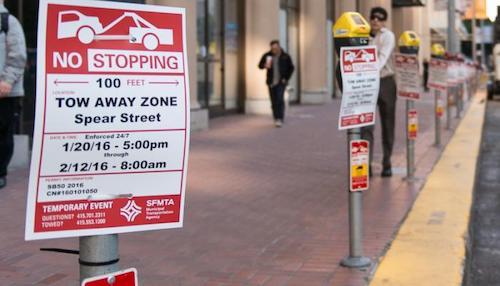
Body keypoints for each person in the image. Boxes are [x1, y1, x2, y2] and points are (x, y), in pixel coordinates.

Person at [361, 7, 396, 177]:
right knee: (366, 125)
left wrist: (367, 70)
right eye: (373, 17)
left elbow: (382, 57)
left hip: (385, 81)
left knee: (388, 124)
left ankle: (387, 162)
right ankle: (365, 163)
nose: (375, 20)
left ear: (384, 22)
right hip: (367, 83)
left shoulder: (388, 36)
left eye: (380, 18)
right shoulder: (362, 35)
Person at [0, 1, 27, 189]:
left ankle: (0, 173)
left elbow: (18, 56)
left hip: (4, 92)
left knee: (2, 135)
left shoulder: (8, 22)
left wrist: (7, 81)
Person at [258, 40, 294, 128]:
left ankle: (279, 118)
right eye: (272, 48)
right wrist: (264, 66)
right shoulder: (267, 55)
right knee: (273, 101)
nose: (274, 49)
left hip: (281, 82)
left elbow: (291, 67)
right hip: (271, 82)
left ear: (278, 47)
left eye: (276, 47)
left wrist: (286, 78)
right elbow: (260, 66)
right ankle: (275, 118)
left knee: (279, 99)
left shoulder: (285, 56)